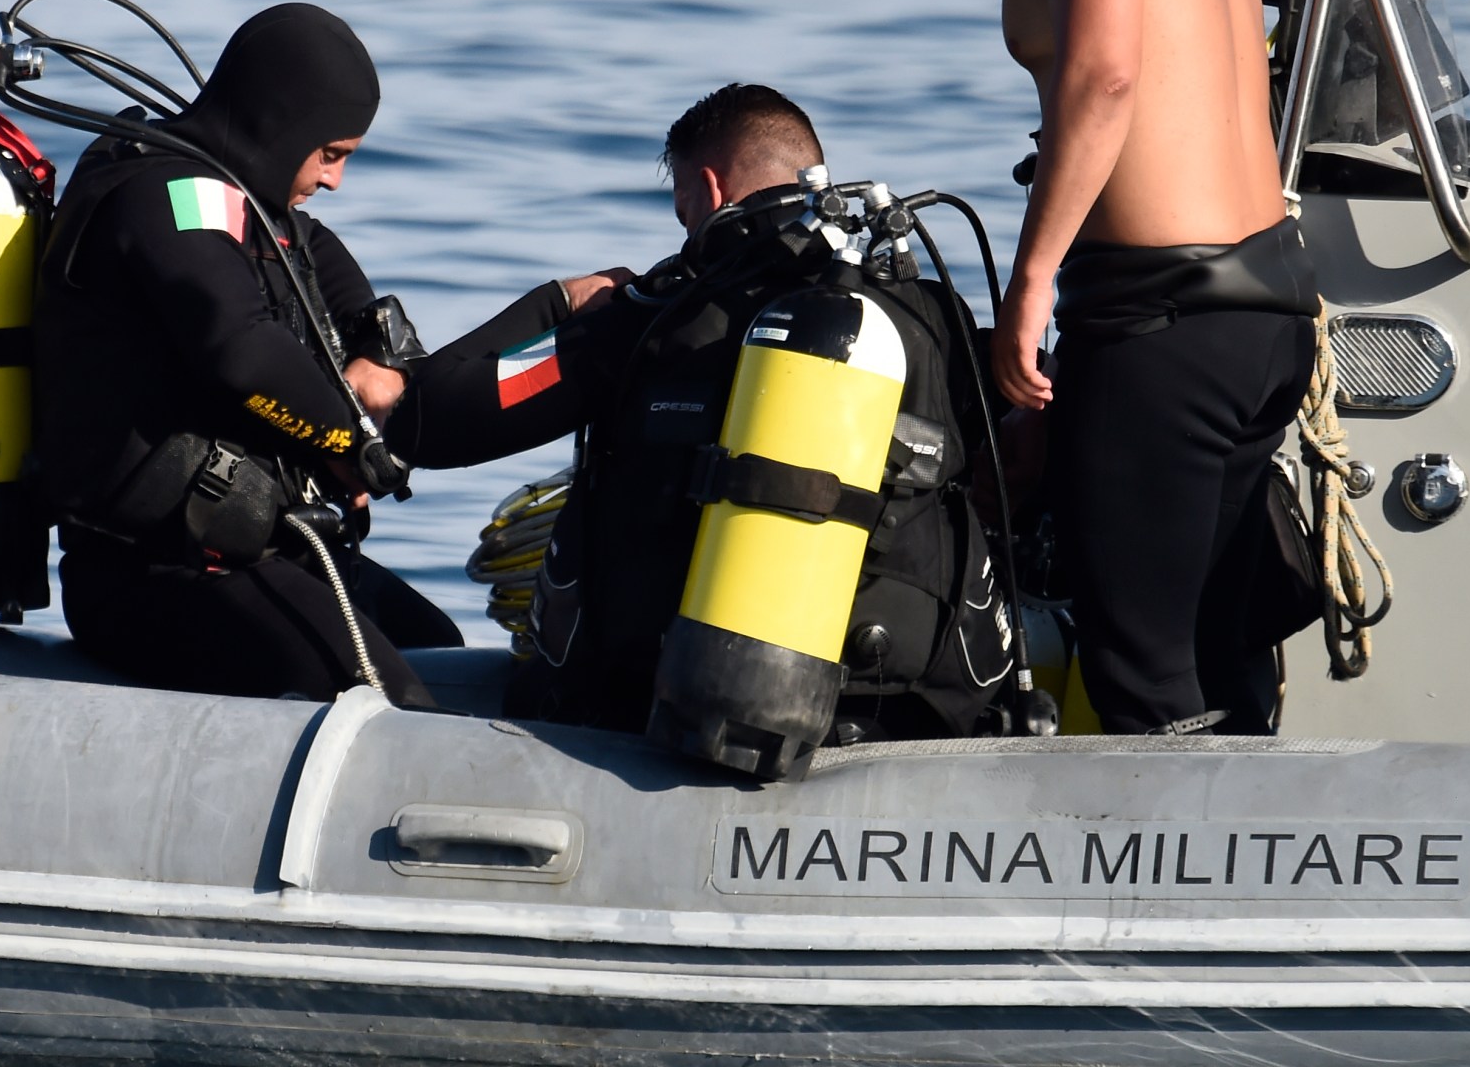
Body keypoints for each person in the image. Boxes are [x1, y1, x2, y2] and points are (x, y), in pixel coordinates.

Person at [388, 85, 1010, 738]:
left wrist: (559, 305)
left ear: (709, 191)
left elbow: (425, 419)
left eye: (683, 212)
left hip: (674, 706)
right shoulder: (930, 315)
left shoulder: (656, 318)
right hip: (906, 706)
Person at [936, 0, 1318, 733]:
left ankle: (1173, 896)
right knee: (1215, 649)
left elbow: (1105, 79)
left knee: (1137, 667)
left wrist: (1028, 287)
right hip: (1263, 311)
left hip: (1165, 322)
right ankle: (1266, 876)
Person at [34, 3, 462, 707]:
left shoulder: (236, 199)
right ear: (281, 123)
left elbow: (315, 252)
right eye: (332, 154)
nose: (335, 180)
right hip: (153, 578)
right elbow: (241, 352)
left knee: (435, 644)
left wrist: (375, 349)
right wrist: (351, 446)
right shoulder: (161, 198)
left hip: (258, 552)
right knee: (399, 708)